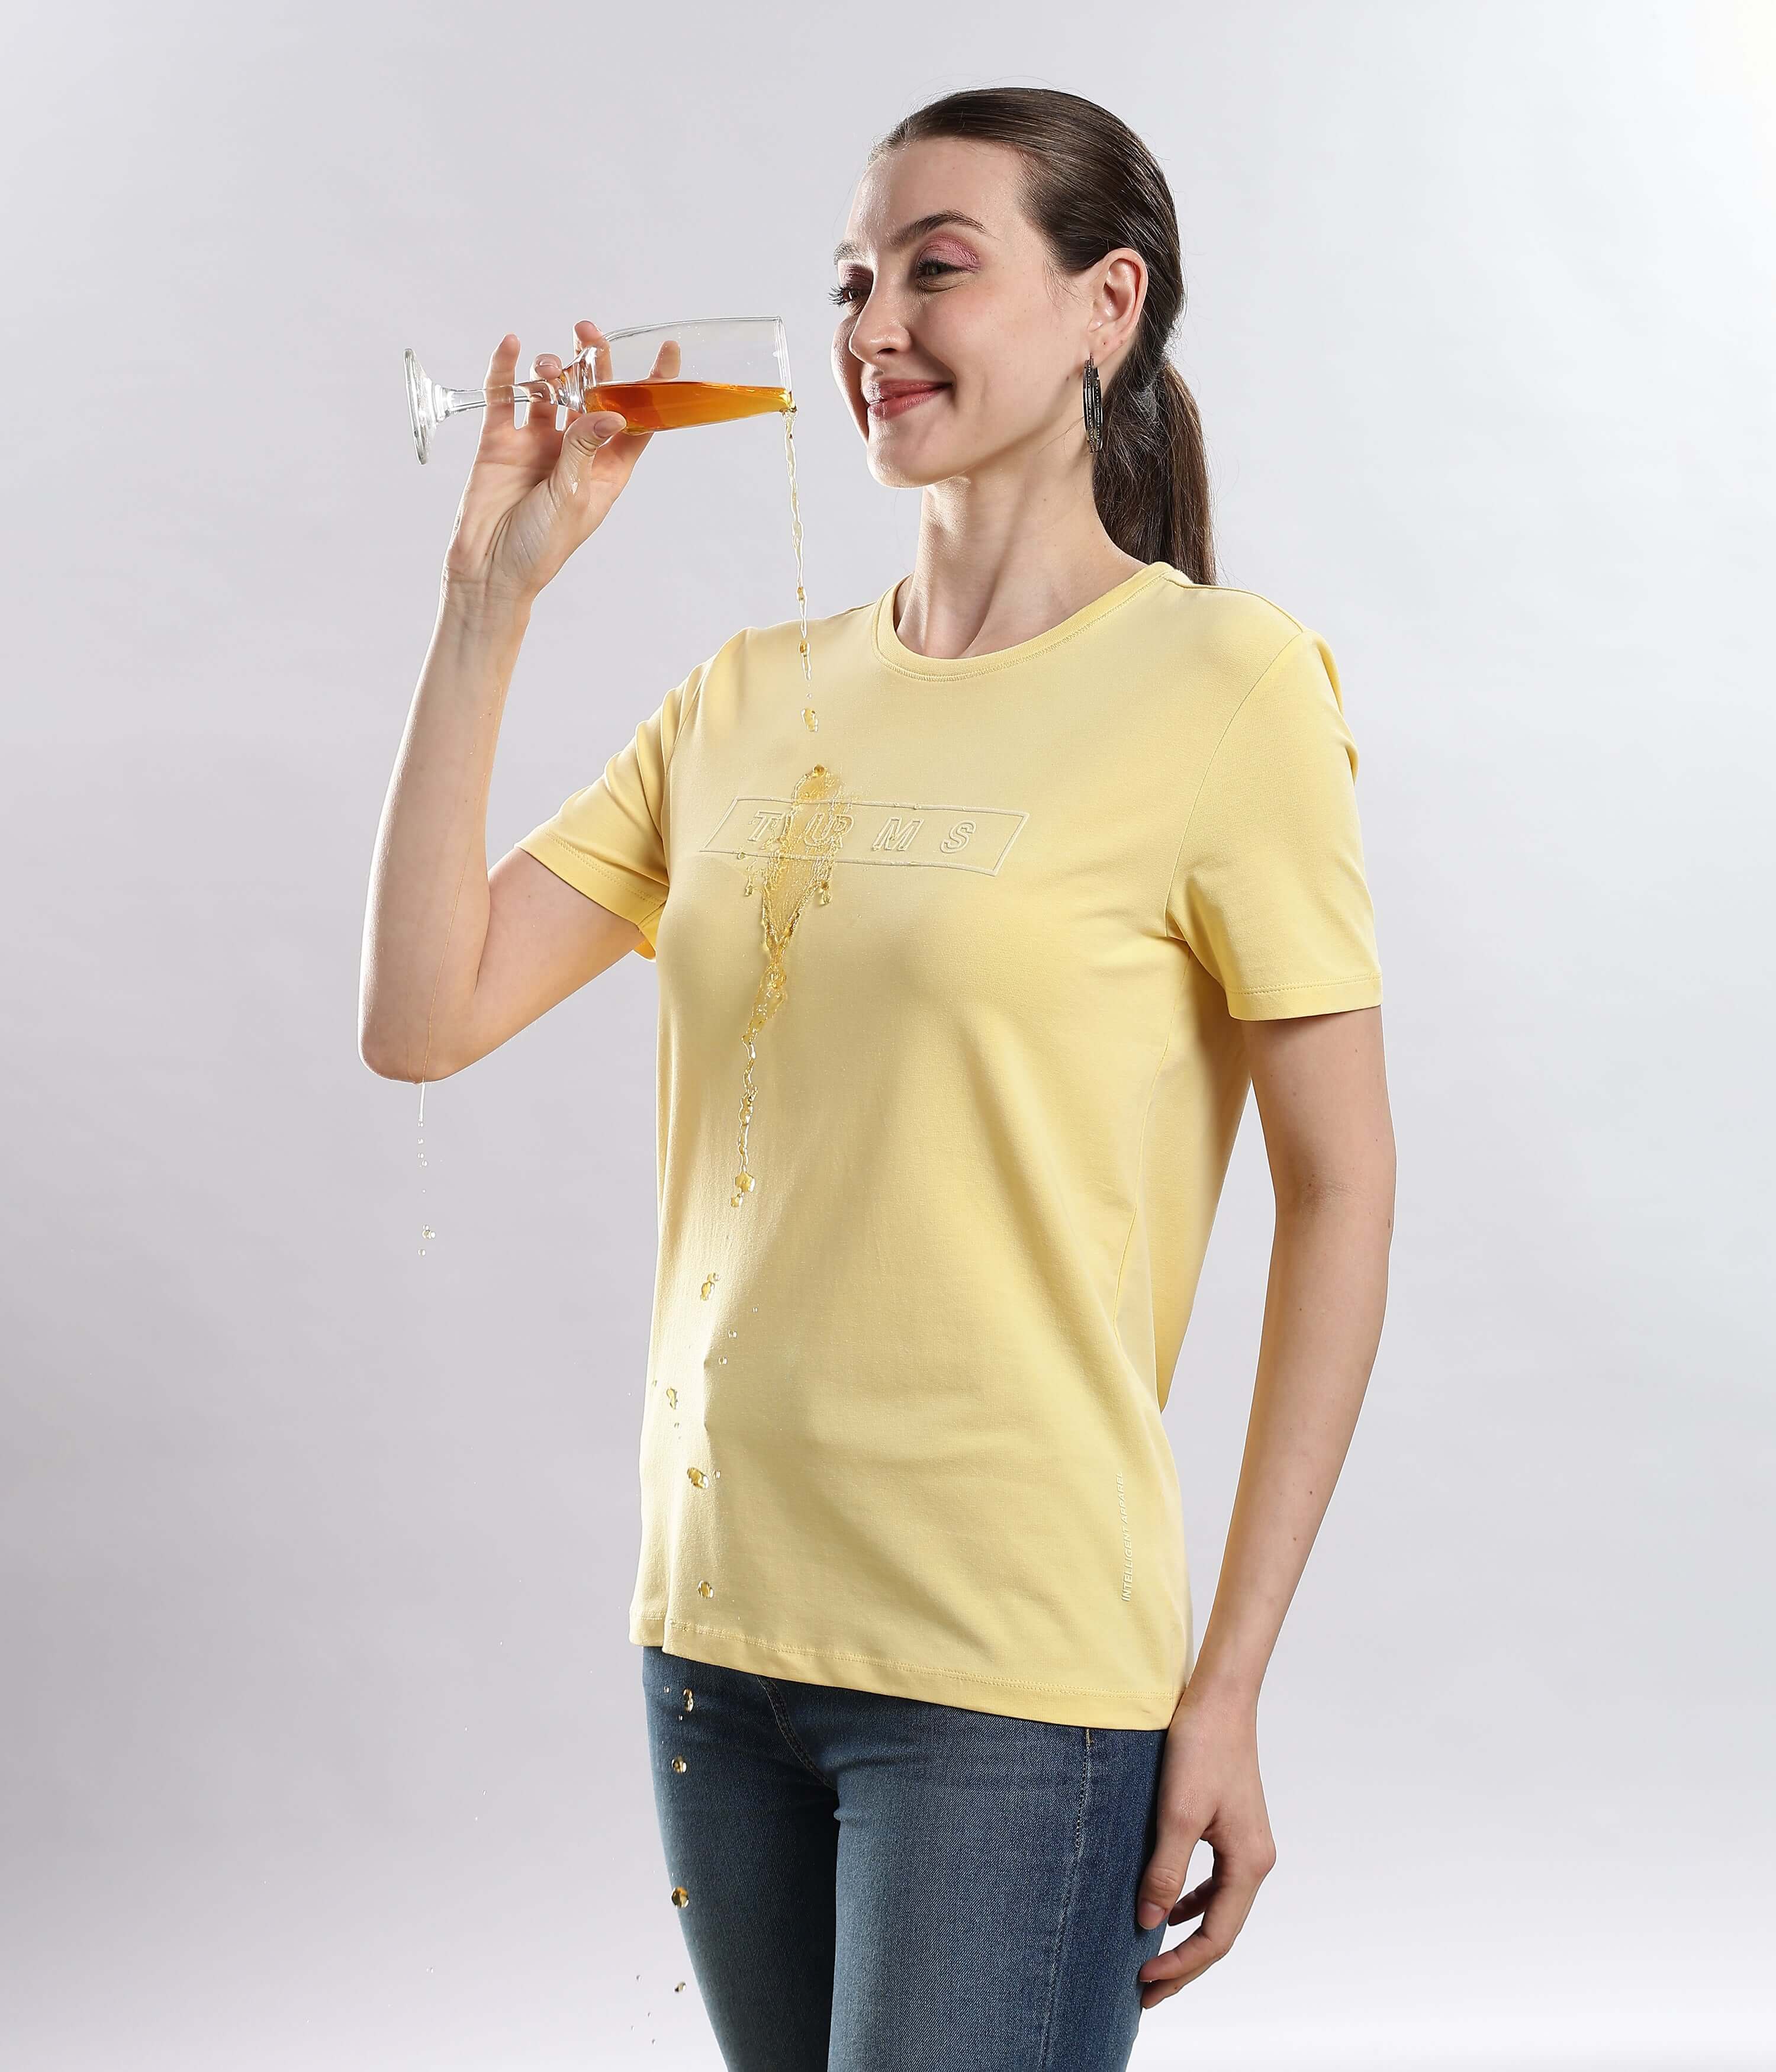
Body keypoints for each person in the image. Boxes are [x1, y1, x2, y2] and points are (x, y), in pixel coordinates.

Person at [359, 83, 1395, 2072]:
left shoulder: (1229, 685)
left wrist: (1232, 1675)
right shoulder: (746, 697)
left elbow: (1342, 1186)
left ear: (1106, 305)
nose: (874, 326)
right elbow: (424, 1012)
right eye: (851, 282)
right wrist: (487, 598)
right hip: (712, 1641)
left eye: (938, 268)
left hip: (1010, 1667)